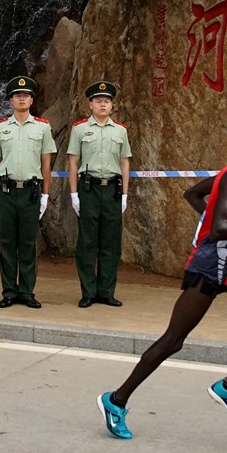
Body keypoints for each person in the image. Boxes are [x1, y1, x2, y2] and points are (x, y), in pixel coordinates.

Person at [97, 115, 227, 439]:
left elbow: (192, 195)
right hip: (208, 268)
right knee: (173, 340)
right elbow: (219, 229)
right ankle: (115, 400)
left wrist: (211, 226)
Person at [0, 75, 56, 309]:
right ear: (11, 100)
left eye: (26, 95)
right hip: (6, 192)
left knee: (27, 243)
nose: (22, 99)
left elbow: (46, 163)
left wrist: (46, 195)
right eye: (18, 96)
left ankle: (26, 291)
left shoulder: (43, 127)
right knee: (7, 243)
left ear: (31, 100)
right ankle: (9, 291)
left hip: (30, 192)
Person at [67, 80, 132, 308]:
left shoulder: (121, 131)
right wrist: (74, 194)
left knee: (110, 243)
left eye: (107, 101)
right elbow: (73, 163)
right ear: (90, 105)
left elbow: (124, 163)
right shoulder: (80, 129)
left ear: (112, 105)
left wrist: (124, 194)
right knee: (87, 242)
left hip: (113, 189)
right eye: (98, 101)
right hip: (89, 189)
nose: (103, 104)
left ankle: (106, 292)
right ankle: (88, 292)